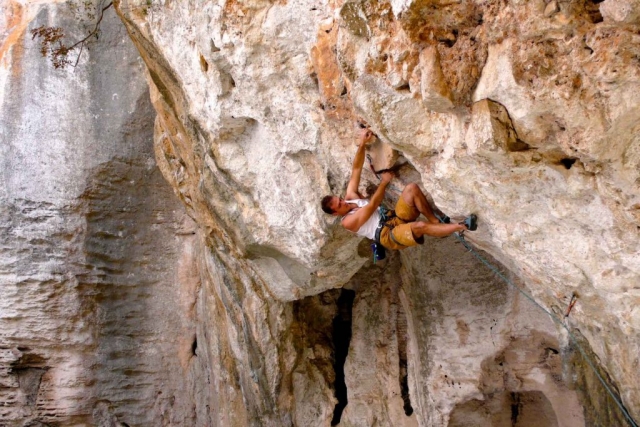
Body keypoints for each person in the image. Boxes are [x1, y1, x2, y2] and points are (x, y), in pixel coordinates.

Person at [321, 128, 477, 252]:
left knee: (412, 189)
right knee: (418, 227)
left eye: (339, 199)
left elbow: (356, 170)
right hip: (388, 235)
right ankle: (461, 227)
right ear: (336, 213)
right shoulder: (348, 222)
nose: (343, 202)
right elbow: (372, 205)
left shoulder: (350, 197)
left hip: (394, 218)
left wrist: (362, 144)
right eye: (339, 205)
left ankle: (435, 221)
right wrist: (384, 182)